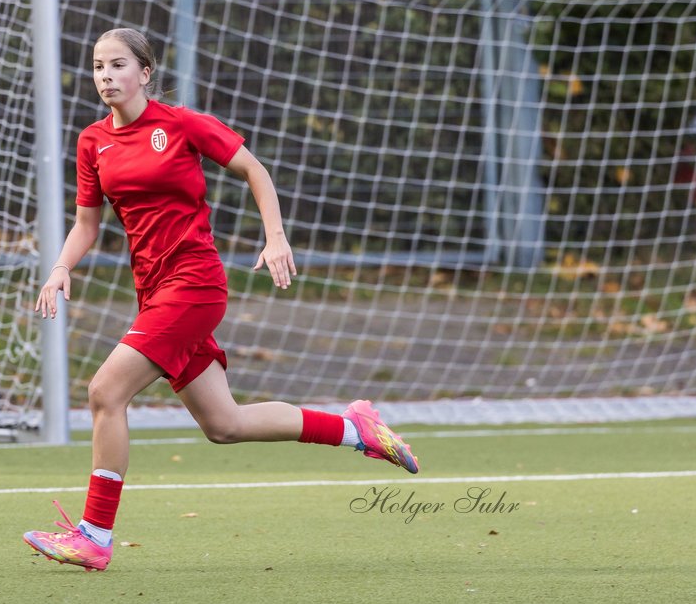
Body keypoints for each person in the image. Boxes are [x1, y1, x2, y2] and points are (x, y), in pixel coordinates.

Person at [22, 28, 418, 572]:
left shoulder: (180, 124)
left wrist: (275, 236)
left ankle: (94, 535)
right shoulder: (93, 142)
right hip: (154, 292)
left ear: (144, 72)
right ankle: (357, 430)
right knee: (223, 424)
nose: (106, 77)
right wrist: (60, 268)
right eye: (97, 67)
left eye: (117, 65)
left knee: (105, 391)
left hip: (195, 285)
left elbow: (254, 170)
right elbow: (86, 224)